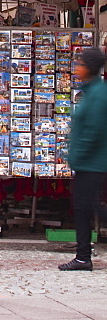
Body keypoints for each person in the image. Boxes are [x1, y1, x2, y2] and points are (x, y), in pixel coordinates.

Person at [59, 46, 107, 271]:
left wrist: (78, 156)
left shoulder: (98, 94)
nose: (76, 68)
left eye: (80, 64)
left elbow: (93, 130)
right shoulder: (92, 91)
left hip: (92, 162)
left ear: (90, 68)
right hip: (90, 161)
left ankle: (83, 257)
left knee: (85, 207)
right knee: (85, 207)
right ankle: (82, 256)